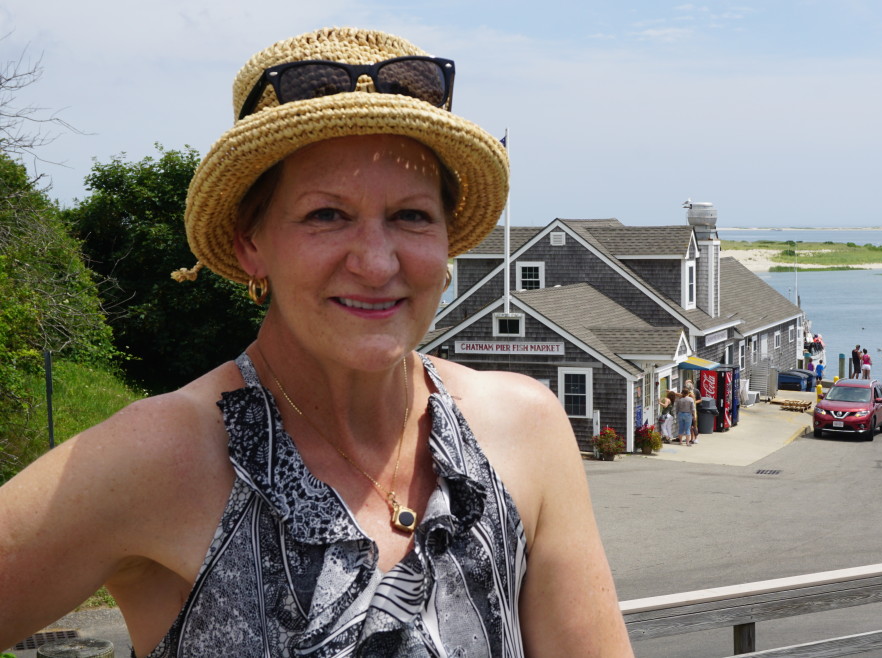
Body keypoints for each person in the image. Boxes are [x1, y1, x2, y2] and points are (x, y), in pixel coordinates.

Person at [0, 28, 632, 657]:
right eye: (326, 215)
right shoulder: (159, 457)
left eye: (411, 215)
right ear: (252, 244)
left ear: (445, 243)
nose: (378, 262)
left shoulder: (523, 428)